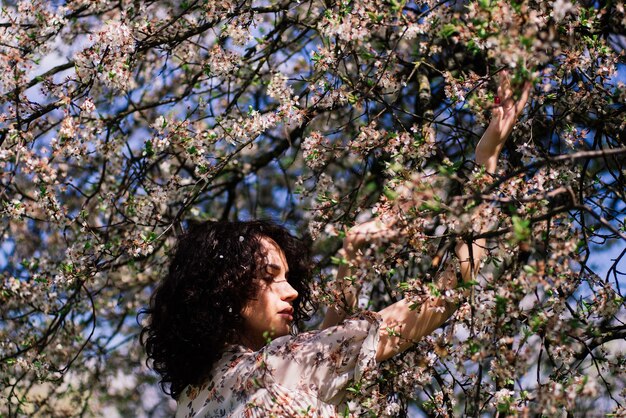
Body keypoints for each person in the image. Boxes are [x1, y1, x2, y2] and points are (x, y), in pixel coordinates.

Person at [140, 71, 531, 417]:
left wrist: (350, 260)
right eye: (270, 276)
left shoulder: (194, 399)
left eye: (287, 277)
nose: (291, 291)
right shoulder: (274, 368)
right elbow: (439, 298)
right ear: (224, 288)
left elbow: (318, 357)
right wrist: (486, 162)